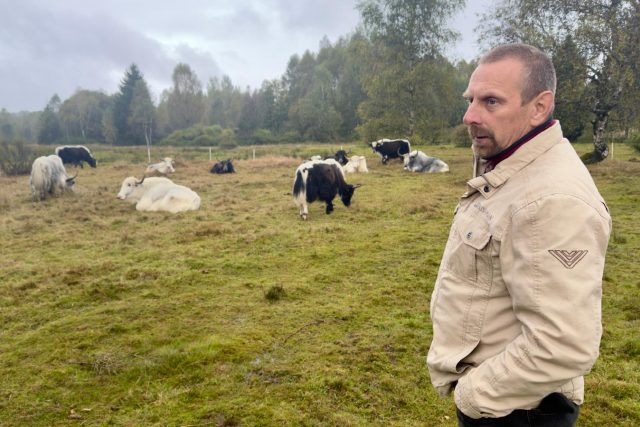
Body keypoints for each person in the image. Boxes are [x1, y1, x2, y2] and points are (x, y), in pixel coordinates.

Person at [427, 43, 612, 426]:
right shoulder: (511, 168)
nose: (469, 116)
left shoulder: (550, 200)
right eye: (471, 99)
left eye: (491, 102)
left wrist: (473, 394)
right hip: (510, 400)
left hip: (518, 409)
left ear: (539, 107)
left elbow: (564, 343)